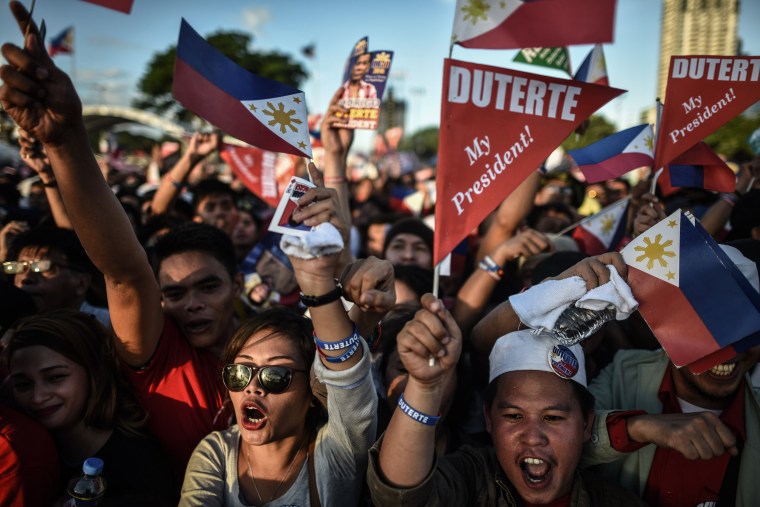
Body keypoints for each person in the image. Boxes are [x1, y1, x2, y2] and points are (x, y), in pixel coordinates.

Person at [181, 170, 378, 505]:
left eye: (276, 375)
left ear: (312, 390)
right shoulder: (216, 452)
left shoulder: (337, 453)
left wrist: (319, 285)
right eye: (239, 372)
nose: (252, 388)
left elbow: (347, 378)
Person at [367, 294, 644, 506]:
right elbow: (400, 498)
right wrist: (425, 387)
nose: (533, 438)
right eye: (514, 416)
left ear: (586, 423)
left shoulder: (615, 501)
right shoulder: (472, 478)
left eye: (553, 418)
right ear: (488, 418)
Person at [581, 244, 760, 506]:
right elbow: (558, 444)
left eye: (746, 330)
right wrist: (636, 428)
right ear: (671, 332)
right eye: (709, 329)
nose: (729, 350)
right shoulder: (623, 373)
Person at [4, 310, 174, 505]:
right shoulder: (23, 450)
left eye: (55, 377)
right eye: (23, 385)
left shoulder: (140, 462)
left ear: (94, 372)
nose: (38, 397)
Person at [3, 226, 110, 327]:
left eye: (43, 267)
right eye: (20, 267)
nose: (26, 278)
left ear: (82, 282)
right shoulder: (6, 324)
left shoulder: (110, 328)